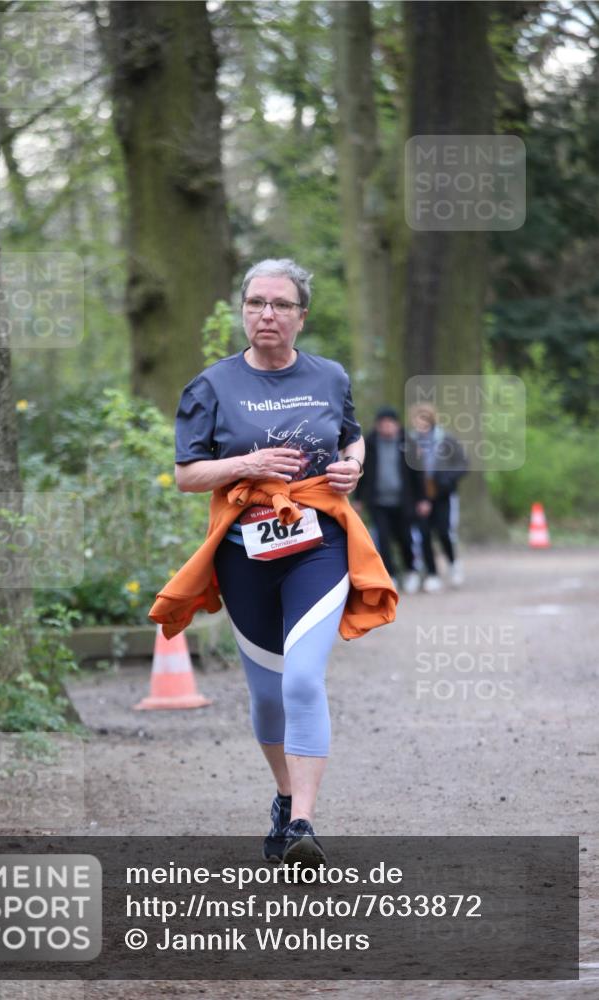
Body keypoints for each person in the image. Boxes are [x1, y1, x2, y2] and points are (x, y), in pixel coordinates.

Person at [148, 258, 396, 867]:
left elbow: (351, 435)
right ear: (243, 310)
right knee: (267, 697)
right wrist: (246, 466)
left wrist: (353, 467)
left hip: (319, 546)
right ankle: (285, 799)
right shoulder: (211, 386)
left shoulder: (330, 376)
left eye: (281, 305)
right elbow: (186, 474)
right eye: (257, 302)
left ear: (301, 316)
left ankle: (303, 823)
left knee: (304, 680)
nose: (267, 314)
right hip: (244, 555)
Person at [354, 406, 425, 594]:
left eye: (389, 423)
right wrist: (358, 499)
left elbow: (418, 474)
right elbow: (362, 474)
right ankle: (389, 575)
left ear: (397, 424)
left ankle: (411, 571)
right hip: (378, 502)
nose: (386, 427)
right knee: (382, 540)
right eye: (382, 424)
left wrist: (422, 499)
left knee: (405, 539)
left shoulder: (408, 443)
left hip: (403, 502)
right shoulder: (368, 443)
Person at [408, 403, 468, 593]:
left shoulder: (446, 439)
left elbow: (462, 464)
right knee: (423, 534)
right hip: (420, 494)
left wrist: (447, 479)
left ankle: (453, 563)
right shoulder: (410, 441)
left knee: (443, 531)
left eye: (425, 418)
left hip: (442, 494)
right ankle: (432, 574)